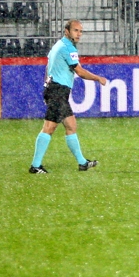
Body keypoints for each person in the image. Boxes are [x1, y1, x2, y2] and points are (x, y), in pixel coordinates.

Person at [28, 20, 108, 173]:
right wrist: (98, 78)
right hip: (57, 91)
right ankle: (35, 166)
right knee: (49, 128)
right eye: (76, 30)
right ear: (67, 31)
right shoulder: (68, 48)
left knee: (71, 125)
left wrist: (48, 85)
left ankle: (82, 163)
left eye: (81, 31)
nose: (79, 34)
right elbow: (80, 72)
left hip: (54, 90)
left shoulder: (58, 45)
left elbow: (48, 66)